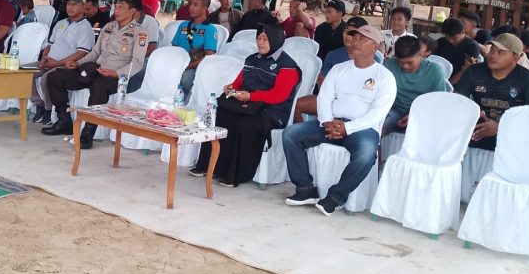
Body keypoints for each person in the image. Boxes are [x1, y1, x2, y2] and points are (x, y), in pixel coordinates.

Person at [283, 24, 396, 215]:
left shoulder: (384, 77)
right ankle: (305, 189)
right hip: (332, 123)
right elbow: (324, 98)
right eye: (354, 38)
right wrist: (327, 122)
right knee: (290, 134)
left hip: (363, 129)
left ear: (375, 47)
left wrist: (348, 128)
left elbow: (378, 113)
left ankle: (335, 197)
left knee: (366, 154)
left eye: (362, 39)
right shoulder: (339, 69)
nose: (355, 42)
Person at [190, 23, 301, 186]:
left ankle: (234, 174)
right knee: (216, 115)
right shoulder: (252, 59)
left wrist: (251, 96)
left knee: (243, 124)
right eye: (258, 38)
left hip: (271, 112)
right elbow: (238, 82)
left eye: (265, 39)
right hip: (249, 105)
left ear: (276, 40)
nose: (261, 42)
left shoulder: (288, 67)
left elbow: (278, 96)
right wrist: (230, 88)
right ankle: (208, 166)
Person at [42, 0, 148, 148]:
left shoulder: (140, 33)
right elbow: (94, 53)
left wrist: (116, 73)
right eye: (115, 7)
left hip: (116, 76)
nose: (116, 11)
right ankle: (64, 120)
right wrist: (77, 63)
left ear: (132, 11)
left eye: (121, 8)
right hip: (94, 69)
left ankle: (87, 133)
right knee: (55, 77)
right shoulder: (108, 27)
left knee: (99, 86)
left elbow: (137, 63)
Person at [454, 33, 529, 151]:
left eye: (501, 52)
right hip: (473, 137)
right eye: (492, 50)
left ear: (516, 57)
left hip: (512, 144)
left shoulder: (528, 79)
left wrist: (501, 127)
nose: (493, 55)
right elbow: (457, 101)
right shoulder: (474, 71)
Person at [30, 0, 95, 125]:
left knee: (45, 79)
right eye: (68, 4)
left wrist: (56, 64)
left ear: (84, 8)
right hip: (49, 61)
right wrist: (45, 58)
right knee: (23, 73)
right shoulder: (61, 23)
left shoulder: (85, 27)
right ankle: (39, 104)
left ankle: (48, 111)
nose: (70, 7)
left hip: (65, 65)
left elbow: (82, 53)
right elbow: (50, 44)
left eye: (74, 4)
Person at [381, 35, 451, 135]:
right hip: (394, 110)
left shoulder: (434, 70)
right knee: (379, 127)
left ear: (421, 55)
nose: (405, 66)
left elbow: (439, 101)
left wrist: (417, 115)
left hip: (423, 113)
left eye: (410, 62)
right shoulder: (389, 65)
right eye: (401, 62)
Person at [171, 0, 218, 99]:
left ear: (205, 8)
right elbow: (174, 48)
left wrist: (187, 66)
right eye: (190, 4)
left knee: (186, 79)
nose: (191, 7)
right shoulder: (183, 25)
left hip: (195, 66)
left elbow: (209, 57)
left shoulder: (210, 29)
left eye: (195, 5)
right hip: (179, 63)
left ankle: (184, 104)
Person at [435, 16, 481, 83]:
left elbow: (468, 71)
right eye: (447, 37)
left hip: (461, 80)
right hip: (440, 77)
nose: (450, 41)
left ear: (462, 32)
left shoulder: (472, 46)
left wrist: (448, 85)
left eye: (454, 38)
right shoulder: (440, 42)